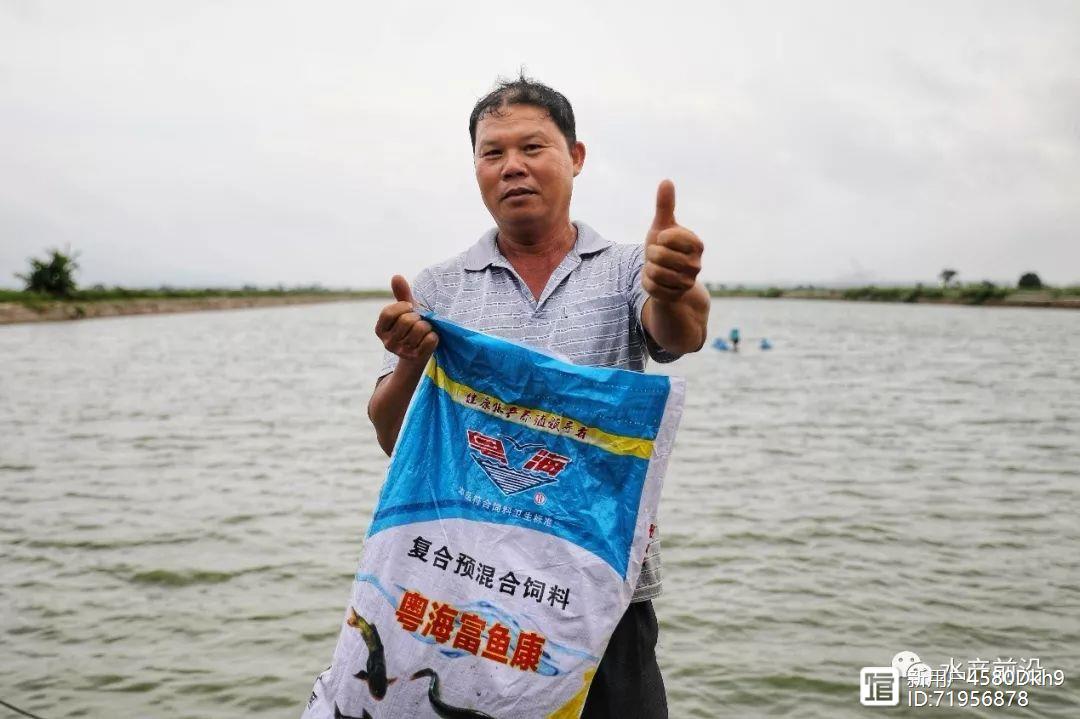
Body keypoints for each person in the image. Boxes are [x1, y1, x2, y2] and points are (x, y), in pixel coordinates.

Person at [368, 74, 709, 719]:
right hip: (467, 589)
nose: (512, 167)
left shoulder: (629, 268)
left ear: (576, 157)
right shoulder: (439, 287)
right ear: (474, 168)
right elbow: (391, 434)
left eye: (534, 147)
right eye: (492, 152)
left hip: (604, 586)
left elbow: (681, 333)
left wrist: (674, 288)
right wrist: (412, 361)